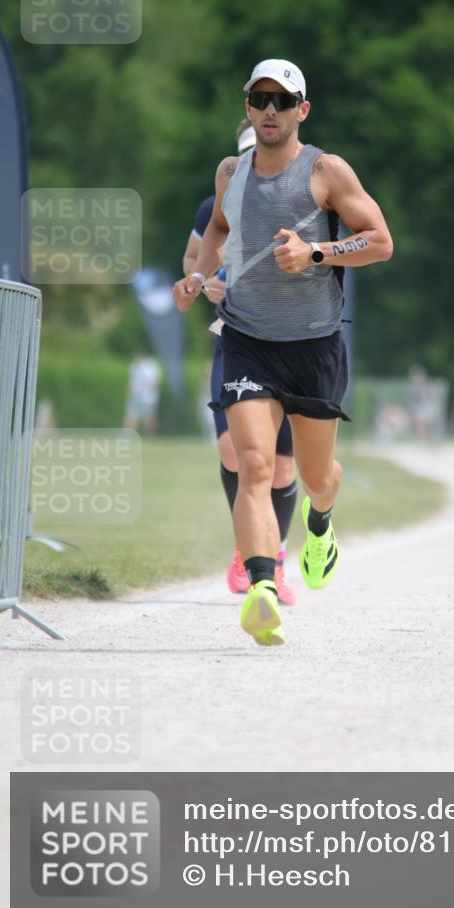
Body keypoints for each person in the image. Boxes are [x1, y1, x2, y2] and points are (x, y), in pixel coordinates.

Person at [173, 59, 393, 647]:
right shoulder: (230, 171)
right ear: (247, 106)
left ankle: (320, 523)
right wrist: (197, 277)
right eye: (260, 98)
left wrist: (316, 253)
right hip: (248, 340)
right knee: (255, 465)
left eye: (281, 100)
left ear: (302, 109)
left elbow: (380, 240)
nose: (270, 109)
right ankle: (263, 588)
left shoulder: (325, 170)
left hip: (315, 345)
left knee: (317, 477)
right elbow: (217, 230)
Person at [182, 117, 297, 605]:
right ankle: (247, 551)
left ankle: (278, 552)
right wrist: (209, 284)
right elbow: (193, 261)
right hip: (235, 338)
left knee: (285, 469)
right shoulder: (215, 205)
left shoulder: (299, 202)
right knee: (235, 451)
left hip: (293, 346)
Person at [123, 351, 162, 434]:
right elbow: (132, 381)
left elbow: (156, 381)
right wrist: (130, 391)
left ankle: (151, 434)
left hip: (148, 397)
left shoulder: (152, 366)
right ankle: (128, 434)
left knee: (149, 417)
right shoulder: (134, 366)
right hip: (136, 396)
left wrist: (147, 388)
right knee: (131, 415)